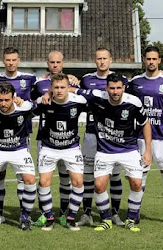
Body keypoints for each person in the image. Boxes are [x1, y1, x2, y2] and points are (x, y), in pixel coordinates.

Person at [70, 72, 152, 232]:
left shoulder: (133, 103)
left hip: (129, 150)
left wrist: (147, 150)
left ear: (124, 88)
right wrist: (58, 86)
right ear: (106, 88)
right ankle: (106, 219)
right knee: (99, 185)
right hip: (105, 151)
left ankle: (130, 219)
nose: (115, 92)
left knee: (136, 184)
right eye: (112, 88)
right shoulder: (96, 96)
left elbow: (145, 123)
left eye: (118, 88)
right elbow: (71, 90)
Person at [78, 47, 128, 227]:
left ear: (110, 60)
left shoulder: (121, 80)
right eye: (98, 58)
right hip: (92, 134)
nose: (101, 61)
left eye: (105, 58)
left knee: (114, 176)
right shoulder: (86, 79)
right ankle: (87, 214)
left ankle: (114, 214)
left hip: (113, 136)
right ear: (95, 60)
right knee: (88, 176)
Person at [0, 82, 36, 231]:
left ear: (13, 98)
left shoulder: (24, 108)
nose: (3, 104)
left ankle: (24, 218)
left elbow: (37, 104)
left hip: (19, 149)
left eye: (7, 100)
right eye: (0, 100)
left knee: (29, 180)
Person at [0, 47, 37, 224]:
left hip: (22, 135)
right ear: (3, 60)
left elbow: (45, 91)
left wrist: (69, 77)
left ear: (19, 60)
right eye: (8, 60)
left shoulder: (29, 79)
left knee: (22, 176)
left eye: (14, 60)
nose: (11, 63)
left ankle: (23, 212)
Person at [33, 73, 85, 231]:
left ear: (69, 87)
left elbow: (97, 102)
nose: (60, 90)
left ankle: (70, 218)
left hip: (71, 148)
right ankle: (49, 218)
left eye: (63, 87)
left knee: (78, 182)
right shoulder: (44, 102)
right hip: (49, 148)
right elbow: (26, 109)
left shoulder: (79, 101)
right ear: (51, 88)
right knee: (43, 182)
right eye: (56, 87)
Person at [31, 51, 74, 227]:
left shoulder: (71, 82)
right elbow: (31, 104)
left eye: (58, 62)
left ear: (63, 63)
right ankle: (44, 213)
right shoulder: (39, 83)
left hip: (66, 140)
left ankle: (63, 212)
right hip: (45, 138)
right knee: (44, 178)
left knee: (66, 178)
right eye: (52, 62)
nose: (55, 65)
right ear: (47, 63)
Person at [127, 45, 163, 214]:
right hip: (141, 137)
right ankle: (135, 213)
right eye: (148, 59)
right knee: (140, 177)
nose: (151, 62)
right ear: (144, 60)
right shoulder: (135, 82)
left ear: (159, 61)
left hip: (162, 138)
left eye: (154, 59)